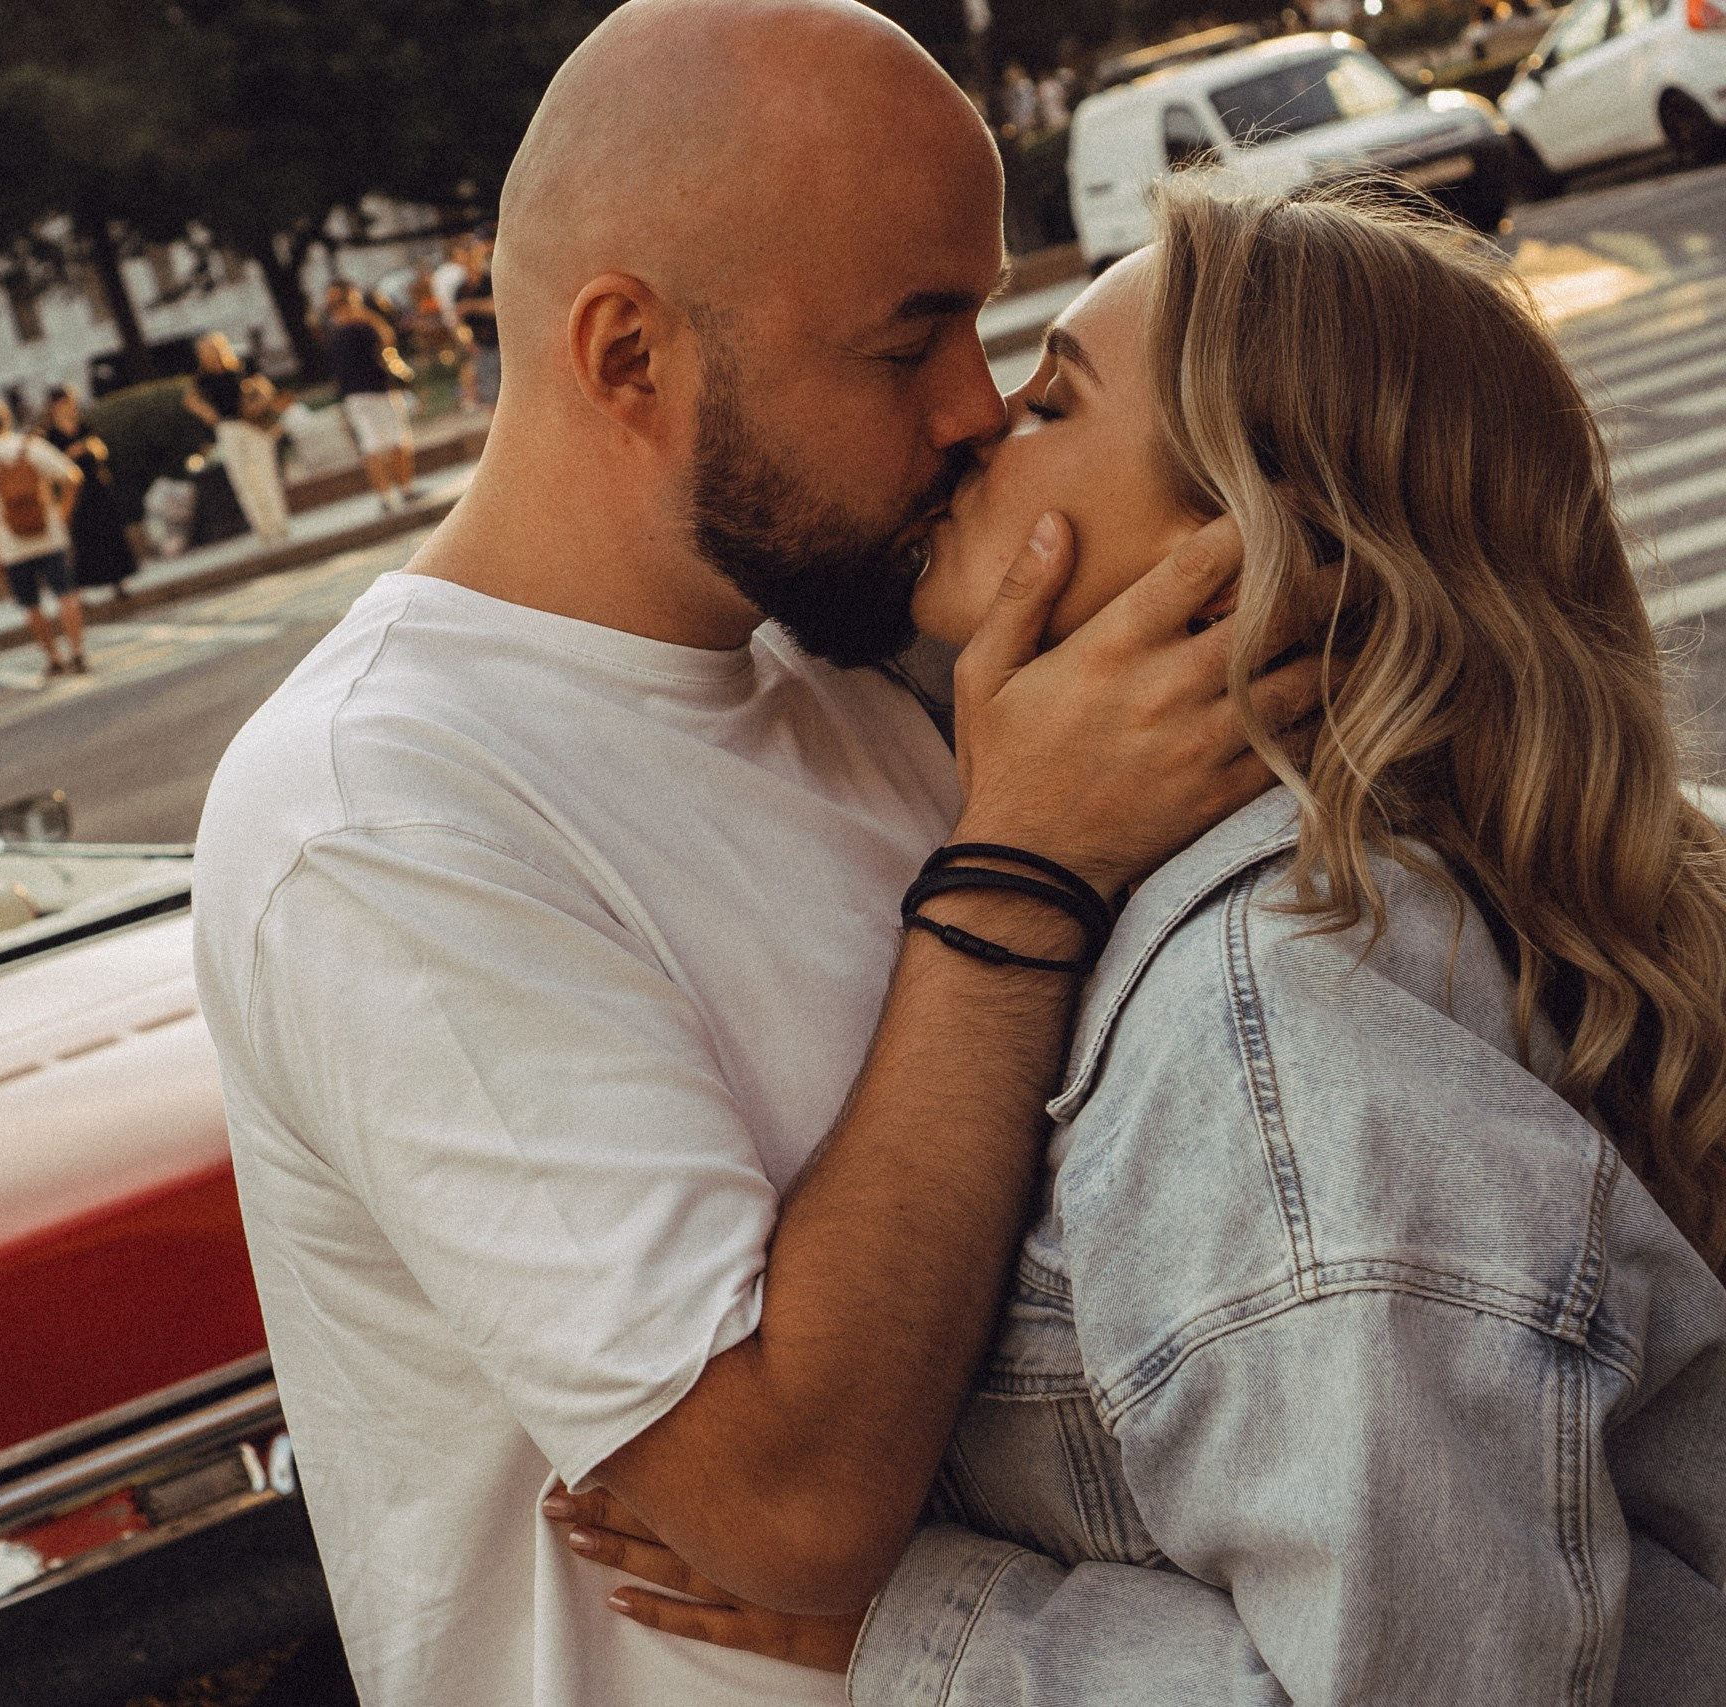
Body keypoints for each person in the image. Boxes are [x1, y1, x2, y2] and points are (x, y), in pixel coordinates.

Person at [190, 4, 1316, 1703]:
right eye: (907, 340)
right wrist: (1018, 870)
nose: (977, 407)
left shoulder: (856, 652)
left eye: (987, 317)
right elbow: (783, 1509)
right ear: (629, 353)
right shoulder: (379, 810)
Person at [560, 183, 1726, 1701]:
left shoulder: (1284, 1033)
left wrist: (919, 1625)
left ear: (1244, 554)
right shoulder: (1376, 908)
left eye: (1052, 396)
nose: (974, 421)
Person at [0, 403, 89, 677]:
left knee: (31, 605)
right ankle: (77, 652)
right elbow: (73, 476)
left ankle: (54, 657)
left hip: (10, 544)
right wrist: (62, 514)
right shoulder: (30, 447)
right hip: (49, 533)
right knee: (66, 594)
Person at [182, 332, 292, 544]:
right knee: (243, 481)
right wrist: (207, 413)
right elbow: (190, 400)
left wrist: (259, 402)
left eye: (213, 349)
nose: (210, 355)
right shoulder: (203, 379)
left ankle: (279, 523)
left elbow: (265, 388)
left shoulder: (241, 367)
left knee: (266, 476)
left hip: (254, 426)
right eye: (206, 352)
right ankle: (263, 529)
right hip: (229, 429)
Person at [322, 283, 419, 513]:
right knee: (390, 442)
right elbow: (387, 340)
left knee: (376, 445)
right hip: (376, 389)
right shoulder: (362, 324)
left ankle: (389, 496)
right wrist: (367, 315)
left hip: (357, 394)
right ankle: (402, 491)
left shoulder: (332, 329)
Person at [40, 386, 140, 597]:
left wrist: (91, 449)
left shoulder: (84, 426)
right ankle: (83, 587)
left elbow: (101, 449)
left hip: (96, 485)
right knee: (83, 538)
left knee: (108, 532)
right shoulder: (50, 435)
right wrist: (69, 454)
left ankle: (118, 581)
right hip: (74, 493)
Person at [452, 233, 500, 414]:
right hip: (483, 347)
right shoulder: (461, 289)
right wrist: (467, 342)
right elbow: (458, 322)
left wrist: (471, 306)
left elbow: (497, 306)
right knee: (490, 398)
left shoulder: (489, 280)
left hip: (503, 344)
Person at [434, 235, 480, 411]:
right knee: (471, 357)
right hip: (462, 320)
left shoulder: (440, 273)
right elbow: (459, 302)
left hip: (451, 320)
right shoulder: (456, 273)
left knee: (466, 359)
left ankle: (468, 397)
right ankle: (470, 397)